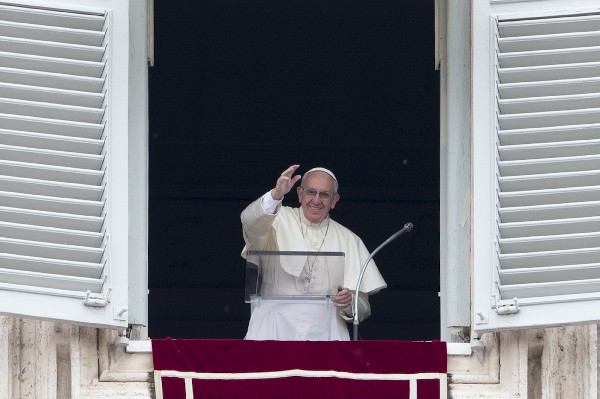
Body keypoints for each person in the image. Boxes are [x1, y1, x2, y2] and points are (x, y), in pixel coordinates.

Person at [240, 164, 387, 340]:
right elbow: (249, 222)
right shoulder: (276, 219)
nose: (316, 200)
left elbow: (363, 308)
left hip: (326, 332)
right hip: (272, 326)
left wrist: (348, 303)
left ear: (334, 200)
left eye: (324, 194)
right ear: (300, 194)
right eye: (311, 192)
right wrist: (276, 194)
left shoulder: (350, 240)